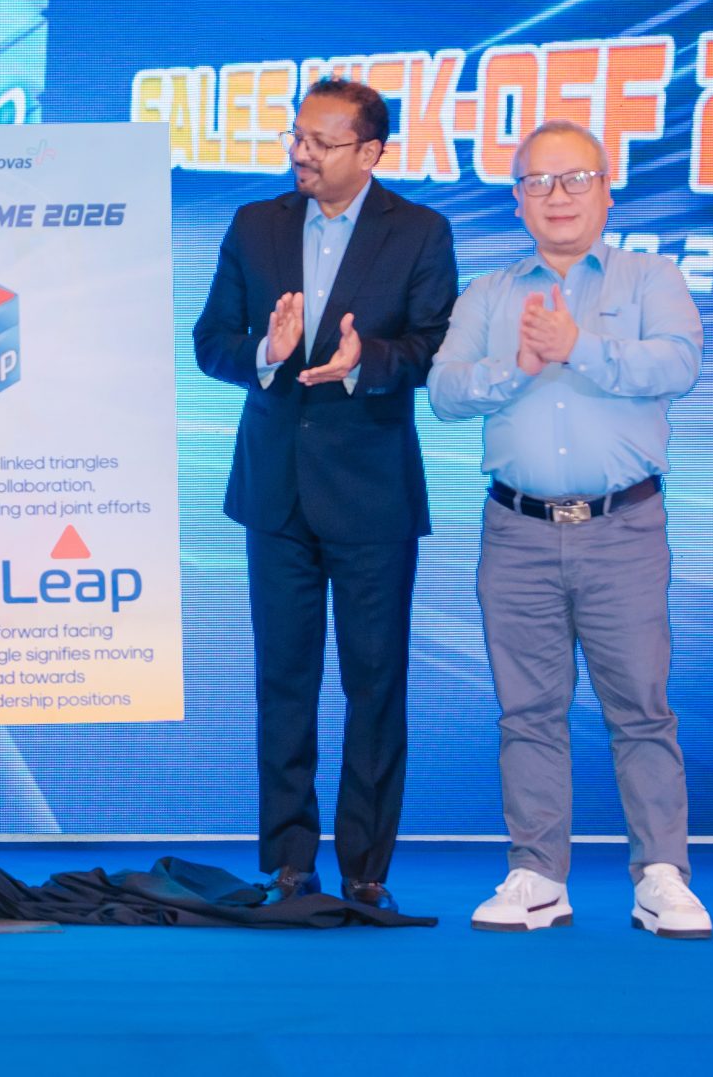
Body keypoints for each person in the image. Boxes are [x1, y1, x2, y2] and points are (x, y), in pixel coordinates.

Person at [427, 118, 712, 940]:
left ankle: (660, 875)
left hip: (623, 527)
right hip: (515, 530)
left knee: (641, 708)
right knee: (527, 710)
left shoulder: (651, 277)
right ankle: (538, 874)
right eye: (539, 182)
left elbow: (679, 363)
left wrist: (578, 346)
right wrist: (514, 368)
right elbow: (444, 391)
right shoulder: (488, 293)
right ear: (517, 200)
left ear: (606, 192)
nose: (558, 196)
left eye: (576, 178)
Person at [191, 76, 457, 911]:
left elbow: (434, 347)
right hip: (274, 491)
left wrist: (363, 361)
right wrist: (265, 354)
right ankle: (289, 861)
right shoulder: (256, 224)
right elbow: (210, 341)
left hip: (372, 492)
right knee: (284, 679)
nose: (299, 152)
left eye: (319, 141)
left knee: (374, 683)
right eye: (295, 137)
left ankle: (366, 869)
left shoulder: (419, 231)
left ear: (370, 152)